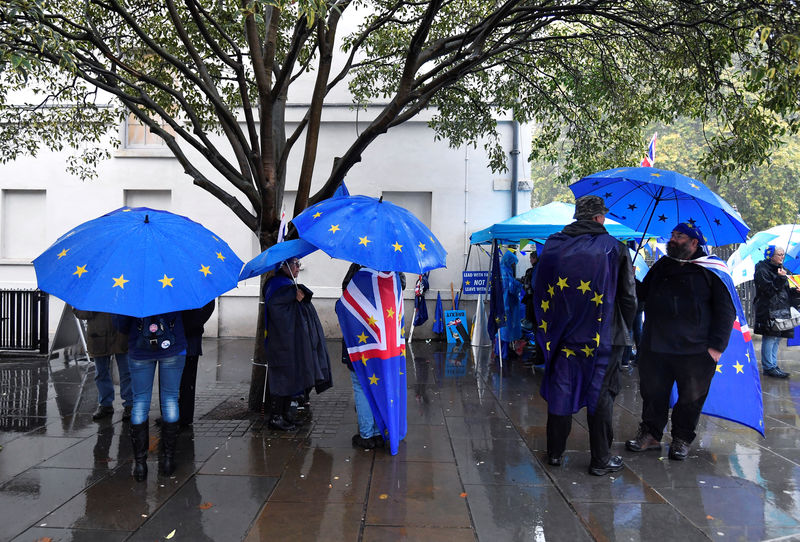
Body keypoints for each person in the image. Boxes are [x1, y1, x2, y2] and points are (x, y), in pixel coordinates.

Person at [533, 195, 636, 476]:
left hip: (563, 335)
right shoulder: (615, 249)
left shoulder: (553, 247)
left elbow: (538, 288)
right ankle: (600, 459)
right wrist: (626, 331)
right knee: (601, 396)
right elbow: (629, 299)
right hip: (605, 337)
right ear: (599, 218)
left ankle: (555, 452)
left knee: (561, 390)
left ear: (578, 216)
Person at [626, 222, 736, 461]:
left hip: (695, 350)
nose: (673, 239)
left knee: (690, 398)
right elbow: (643, 295)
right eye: (673, 235)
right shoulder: (663, 265)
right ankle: (651, 434)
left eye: (680, 236)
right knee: (653, 393)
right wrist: (631, 278)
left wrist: (717, 347)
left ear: (694, 242)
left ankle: (682, 439)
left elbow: (726, 310)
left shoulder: (712, 270)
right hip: (656, 345)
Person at [114, 311, 187, 481]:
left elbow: (120, 324)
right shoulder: (175, 284)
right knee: (170, 400)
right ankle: (168, 461)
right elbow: (191, 312)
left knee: (140, 402)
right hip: (173, 347)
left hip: (140, 350)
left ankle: (140, 465)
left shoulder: (129, 286)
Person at [263, 257, 332, 431]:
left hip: (291, 342)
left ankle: (286, 414)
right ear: (284, 266)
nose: (298, 268)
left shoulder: (286, 283)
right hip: (281, 342)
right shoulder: (277, 285)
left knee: (291, 376)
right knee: (282, 378)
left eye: (299, 265)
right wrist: (293, 296)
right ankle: (276, 417)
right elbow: (277, 311)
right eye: (295, 265)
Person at [341, 263, 384, 450]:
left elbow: (344, 296)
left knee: (361, 386)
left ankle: (367, 434)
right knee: (380, 386)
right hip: (383, 342)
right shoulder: (392, 271)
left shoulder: (357, 268)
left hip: (358, 339)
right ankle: (380, 432)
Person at [73, 310, 132, 421]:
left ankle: (130, 404)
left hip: (121, 335)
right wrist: (93, 308)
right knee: (101, 373)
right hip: (98, 336)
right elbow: (79, 312)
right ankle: (105, 404)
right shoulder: (90, 294)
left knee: (126, 372)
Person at [754, 245, 800, 378]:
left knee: (777, 337)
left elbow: (782, 291)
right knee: (770, 337)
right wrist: (779, 278)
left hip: (781, 309)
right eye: (779, 254)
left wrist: (794, 291)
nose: (782, 257)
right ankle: (768, 367)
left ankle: (773, 365)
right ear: (770, 256)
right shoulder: (762, 269)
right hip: (769, 309)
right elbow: (768, 290)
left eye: (783, 254)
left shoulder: (780, 269)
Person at [520, 249, 539, 325]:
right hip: (533, 297)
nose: (530, 260)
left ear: (535, 258)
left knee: (533, 319)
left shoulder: (534, 270)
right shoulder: (533, 269)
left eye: (531, 258)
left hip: (533, 297)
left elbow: (531, 283)